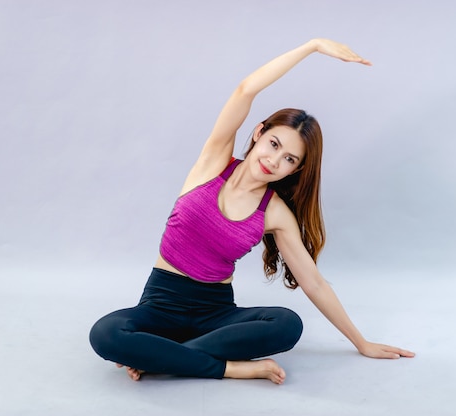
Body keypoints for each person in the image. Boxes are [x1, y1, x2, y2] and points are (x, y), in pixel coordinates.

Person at [89, 38, 415, 385]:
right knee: (105, 335)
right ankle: (225, 367)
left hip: (214, 312)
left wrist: (360, 342)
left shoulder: (275, 214)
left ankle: (159, 358)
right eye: (274, 144)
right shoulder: (212, 164)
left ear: (295, 171)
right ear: (259, 133)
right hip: (160, 303)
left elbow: (314, 284)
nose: (274, 161)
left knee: (288, 324)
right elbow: (245, 90)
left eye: (289, 159)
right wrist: (312, 47)